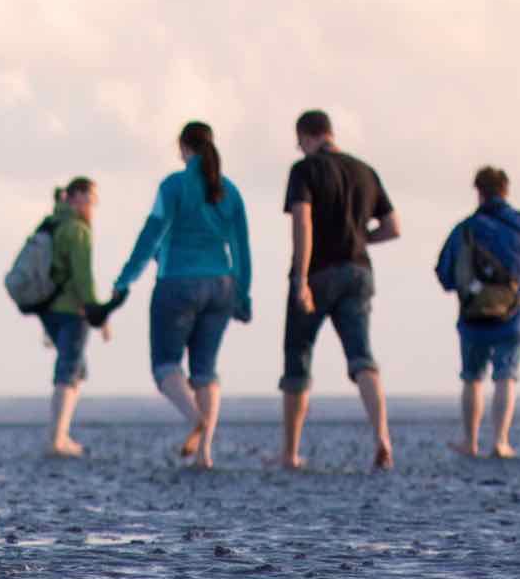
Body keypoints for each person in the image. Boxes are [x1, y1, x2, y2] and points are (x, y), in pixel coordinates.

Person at [112, 121, 252, 469]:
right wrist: (243, 294)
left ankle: (195, 418)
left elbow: (151, 236)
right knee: (205, 369)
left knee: (166, 365)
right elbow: (242, 249)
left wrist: (124, 281)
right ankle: (204, 452)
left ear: (182, 148)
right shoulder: (229, 191)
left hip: (177, 281)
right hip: (222, 284)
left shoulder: (173, 186)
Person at [281, 110, 399, 471]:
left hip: (318, 271)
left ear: (306, 136)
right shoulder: (364, 170)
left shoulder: (305, 170)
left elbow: (303, 220)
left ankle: (291, 452)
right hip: (359, 269)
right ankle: (382, 437)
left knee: (298, 356)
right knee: (362, 356)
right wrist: (361, 238)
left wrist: (300, 278)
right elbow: (393, 227)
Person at [433, 166, 520, 461]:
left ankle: (470, 441)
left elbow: (445, 274)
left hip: (473, 314)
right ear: (506, 190)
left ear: (479, 191)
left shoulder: (465, 229)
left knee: (472, 377)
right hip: (513, 314)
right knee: (506, 375)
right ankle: (500, 441)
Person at [36, 181, 111, 457]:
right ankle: (57, 438)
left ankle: (61, 434)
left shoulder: (52, 223)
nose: (92, 205)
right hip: (72, 309)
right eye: (90, 199)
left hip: (49, 308)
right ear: (77, 197)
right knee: (69, 370)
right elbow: (83, 276)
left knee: (76, 370)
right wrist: (97, 313)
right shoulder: (77, 230)